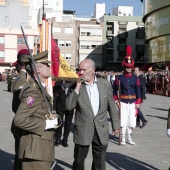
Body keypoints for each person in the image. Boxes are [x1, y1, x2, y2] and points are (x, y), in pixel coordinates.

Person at [65, 59, 120, 170]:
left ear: (93, 70)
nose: (81, 72)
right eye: (79, 69)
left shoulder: (105, 84)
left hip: (101, 128)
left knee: (99, 162)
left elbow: (111, 106)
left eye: (84, 70)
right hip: (83, 129)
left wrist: (116, 125)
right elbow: (69, 106)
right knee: (79, 161)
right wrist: (77, 87)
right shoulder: (75, 86)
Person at [14, 50, 58, 170]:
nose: (50, 67)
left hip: (40, 149)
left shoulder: (39, 89)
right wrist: (46, 123)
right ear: (38, 70)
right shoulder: (33, 91)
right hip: (35, 151)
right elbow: (20, 120)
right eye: (47, 65)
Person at [113, 46, 141, 145]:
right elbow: (114, 91)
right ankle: (123, 138)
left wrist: (138, 102)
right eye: (127, 67)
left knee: (131, 121)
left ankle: (129, 138)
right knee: (123, 121)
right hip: (123, 102)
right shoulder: (119, 78)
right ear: (124, 67)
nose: (129, 69)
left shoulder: (135, 78)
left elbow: (138, 91)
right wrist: (116, 101)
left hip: (133, 102)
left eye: (130, 67)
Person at [11, 49, 30, 170]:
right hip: (23, 123)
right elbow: (20, 105)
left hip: (23, 123)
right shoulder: (23, 80)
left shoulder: (26, 78)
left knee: (21, 155)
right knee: (22, 156)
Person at [53, 80, 75, 147]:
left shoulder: (73, 84)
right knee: (59, 123)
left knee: (68, 124)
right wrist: (54, 108)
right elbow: (55, 95)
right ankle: (57, 139)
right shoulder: (59, 82)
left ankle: (65, 140)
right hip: (60, 106)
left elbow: (76, 96)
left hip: (70, 107)